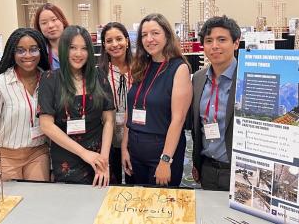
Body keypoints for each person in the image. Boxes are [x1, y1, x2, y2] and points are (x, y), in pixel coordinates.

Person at [38, 25, 114, 187]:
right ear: (64, 49)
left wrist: (104, 160)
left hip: (100, 155)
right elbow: (46, 125)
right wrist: (84, 154)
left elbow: (108, 120)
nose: (78, 54)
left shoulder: (99, 76)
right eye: (73, 48)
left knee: (100, 204)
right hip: (67, 158)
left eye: (84, 48)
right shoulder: (50, 79)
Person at [121, 13, 192, 187]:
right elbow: (130, 114)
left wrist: (166, 160)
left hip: (161, 151)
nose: (149, 39)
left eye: (155, 33)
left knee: (159, 208)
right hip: (135, 150)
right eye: (144, 35)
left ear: (167, 35)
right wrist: (125, 149)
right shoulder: (140, 67)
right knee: (136, 203)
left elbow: (178, 119)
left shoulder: (179, 68)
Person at [190, 15, 241, 191]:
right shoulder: (197, 79)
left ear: (236, 43)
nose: (215, 46)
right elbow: (197, 127)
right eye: (209, 40)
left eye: (222, 40)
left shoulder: (248, 78)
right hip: (207, 169)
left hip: (238, 171)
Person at [0, 28, 51, 181]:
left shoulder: (48, 80)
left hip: (38, 153)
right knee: (11, 202)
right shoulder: (1, 83)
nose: (27, 55)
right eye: (21, 51)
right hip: (6, 155)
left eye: (33, 50)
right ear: (12, 53)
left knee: (38, 201)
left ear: (41, 51)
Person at [98, 22, 134, 184]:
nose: (115, 44)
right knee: (111, 183)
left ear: (127, 41)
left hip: (134, 134)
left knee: (135, 182)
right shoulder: (99, 73)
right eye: (109, 41)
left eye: (119, 39)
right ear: (104, 46)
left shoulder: (141, 68)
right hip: (108, 137)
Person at [33, 3, 70, 70]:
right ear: (39, 28)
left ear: (63, 21)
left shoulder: (76, 47)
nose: (50, 25)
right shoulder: (39, 53)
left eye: (54, 20)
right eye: (44, 23)